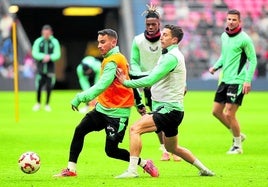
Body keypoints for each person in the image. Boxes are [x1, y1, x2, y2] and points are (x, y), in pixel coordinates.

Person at [54, 29, 159, 177]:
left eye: (103, 42)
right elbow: (129, 83)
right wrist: (139, 104)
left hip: (117, 114)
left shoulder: (114, 60)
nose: (99, 45)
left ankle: (144, 163)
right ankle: (71, 169)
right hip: (101, 109)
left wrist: (80, 97)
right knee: (80, 130)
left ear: (113, 42)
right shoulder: (111, 58)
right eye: (98, 42)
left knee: (111, 151)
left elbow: (102, 85)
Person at [115, 24, 214, 178]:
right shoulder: (168, 55)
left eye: (166, 35)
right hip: (174, 111)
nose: (161, 36)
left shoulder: (171, 57)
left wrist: (126, 82)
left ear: (174, 40)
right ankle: (204, 170)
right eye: (163, 34)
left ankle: (132, 171)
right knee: (173, 148)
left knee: (135, 129)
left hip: (167, 110)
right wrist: (131, 73)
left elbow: (151, 79)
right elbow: (153, 73)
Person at [130, 3, 181, 161]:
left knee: (170, 115)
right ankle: (165, 148)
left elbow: (177, 63)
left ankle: (173, 149)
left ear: (159, 24)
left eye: (154, 24)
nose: (151, 27)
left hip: (166, 83)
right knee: (155, 117)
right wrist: (142, 78)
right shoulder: (138, 40)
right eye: (148, 24)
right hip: (148, 85)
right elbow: (134, 61)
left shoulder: (167, 40)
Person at [209, 9, 257, 154]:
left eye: (234, 19)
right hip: (225, 79)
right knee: (216, 112)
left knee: (229, 113)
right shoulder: (224, 36)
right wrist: (216, 67)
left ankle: (237, 146)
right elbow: (224, 56)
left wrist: (247, 80)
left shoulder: (245, 39)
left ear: (239, 21)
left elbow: (253, 60)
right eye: (229, 19)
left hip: (238, 80)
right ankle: (238, 135)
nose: (231, 22)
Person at [32, 24, 61, 112]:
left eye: (48, 33)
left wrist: (50, 57)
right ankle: (38, 103)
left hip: (50, 68)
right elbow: (34, 53)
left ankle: (47, 104)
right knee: (39, 86)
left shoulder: (54, 42)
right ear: (42, 33)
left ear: (51, 33)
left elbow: (57, 54)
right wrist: (43, 56)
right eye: (45, 33)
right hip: (40, 68)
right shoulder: (38, 41)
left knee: (49, 87)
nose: (46, 35)